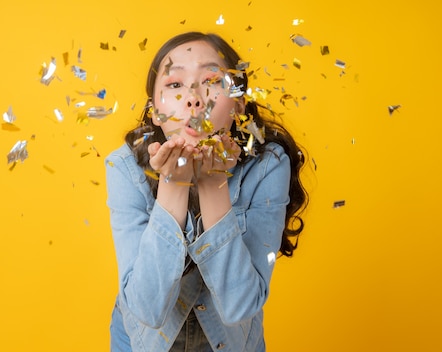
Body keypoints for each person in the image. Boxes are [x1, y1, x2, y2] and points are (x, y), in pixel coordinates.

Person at [105, 31, 308, 352]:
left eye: (212, 80)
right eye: (175, 85)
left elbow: (240, 306)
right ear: (156, 111)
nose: (194, 98)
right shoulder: (124, 167)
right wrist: (173, 184)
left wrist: (213, 183)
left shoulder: (267, 164)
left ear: (239, 102)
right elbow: (146, 310)